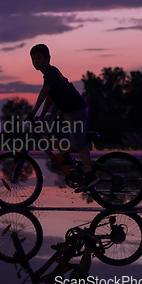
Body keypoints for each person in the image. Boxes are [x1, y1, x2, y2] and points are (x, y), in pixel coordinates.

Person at [26, 44, 98, 192]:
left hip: (76, 109)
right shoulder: (47, 75)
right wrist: (41, 115)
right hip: (65, 111)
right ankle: (66, 157)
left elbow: (45, 91)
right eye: (33, 59)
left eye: (39, 57)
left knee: (79, 144)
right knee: (45, 130)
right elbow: (51, 96)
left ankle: (89, 175)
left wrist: (34, 110)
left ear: (48, 59)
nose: (35, 61)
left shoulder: (52, 72)